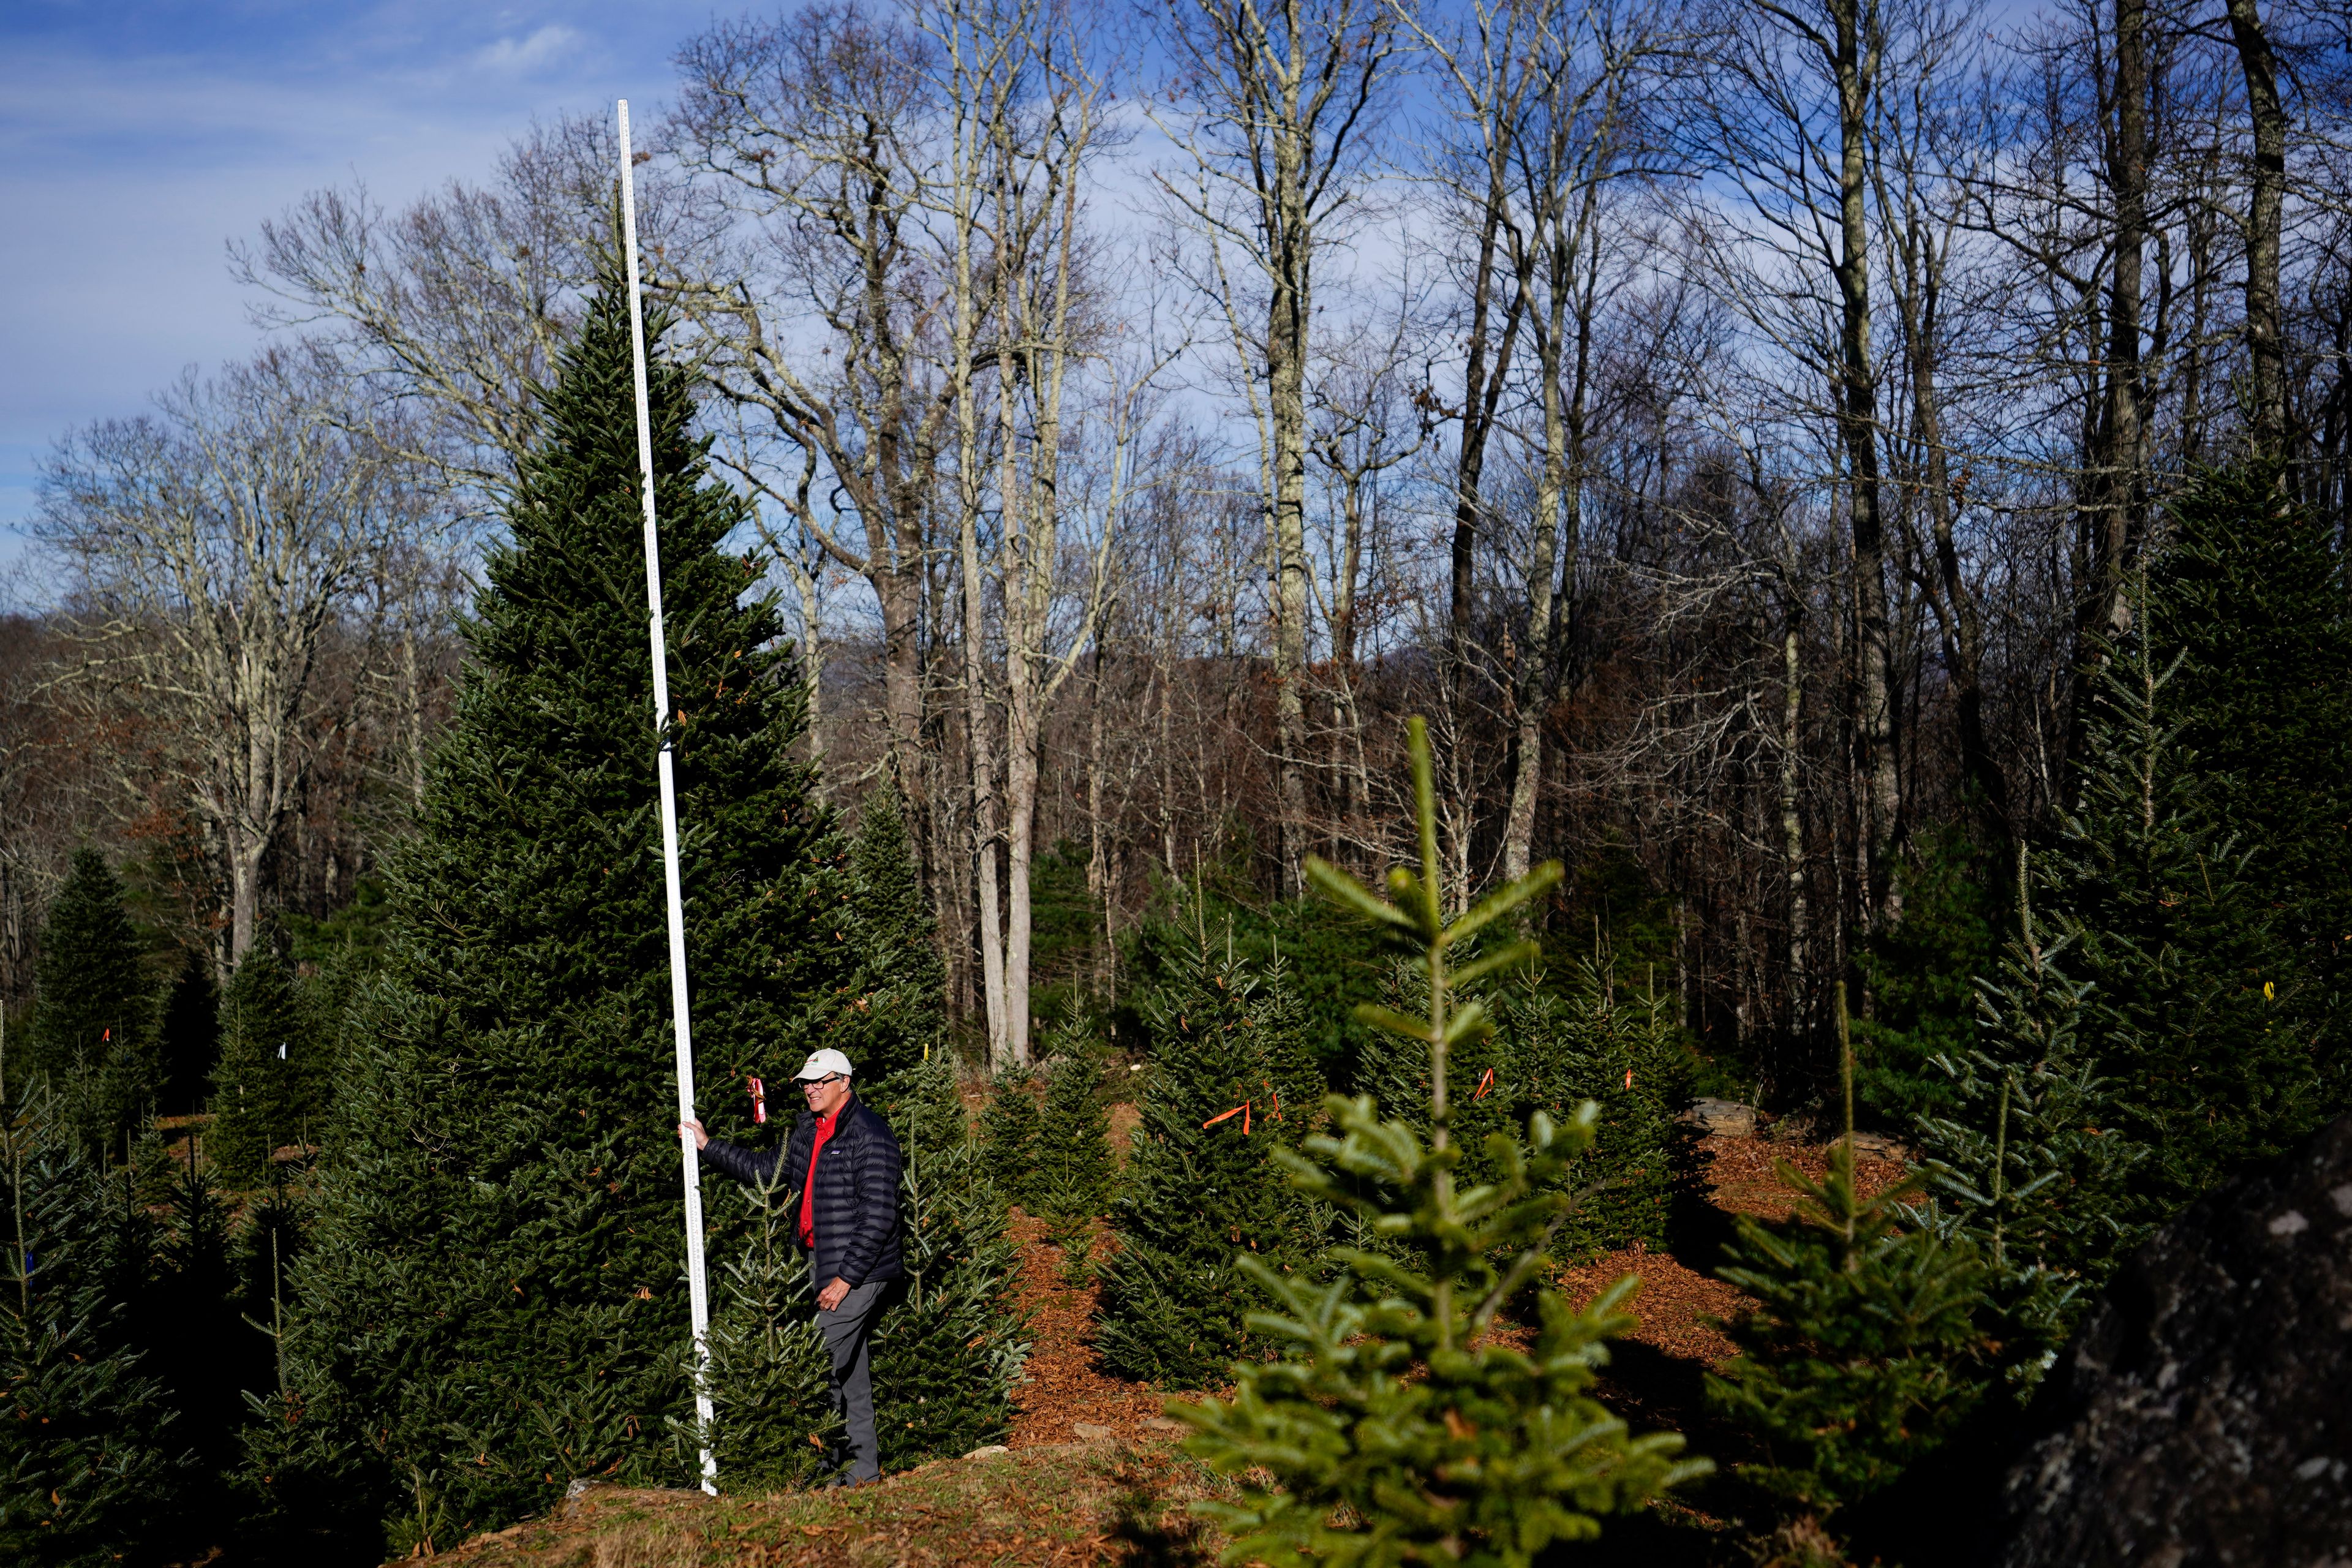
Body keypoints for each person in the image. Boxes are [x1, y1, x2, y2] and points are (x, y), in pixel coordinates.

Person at [681, 1046, 903, 1487]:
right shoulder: (810, 1130)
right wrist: (708, 1146)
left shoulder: (869, 1134)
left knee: (816, 1363)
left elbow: (879, 1215)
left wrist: (846, 1279)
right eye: (806, 1083)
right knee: (850, 1369)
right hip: (822, 1262)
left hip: (858, 1271)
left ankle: (818, 1475)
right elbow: (768, 1169)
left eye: (821, 1082)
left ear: (845, 1082)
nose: (811, 1090)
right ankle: (862, 1474)